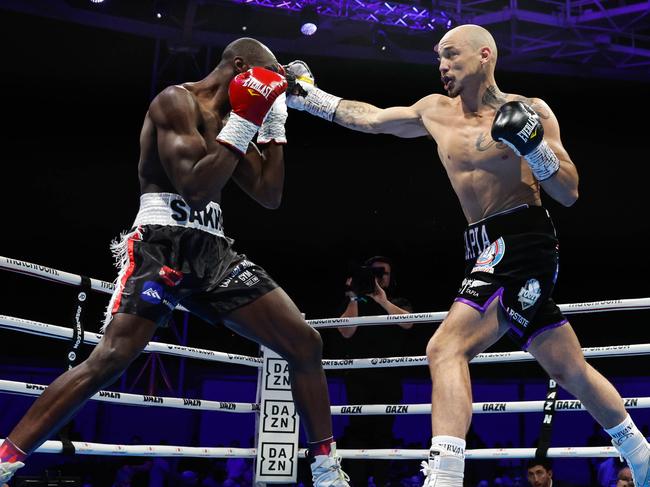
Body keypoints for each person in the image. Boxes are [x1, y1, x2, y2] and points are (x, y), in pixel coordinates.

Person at [281, 24, 650, 487]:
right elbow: (368, 118)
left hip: (523, 238)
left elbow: (569, 192)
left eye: (451, 55)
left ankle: (446, 473)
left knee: (445, 346)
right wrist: (305, 97)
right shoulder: (434, 111)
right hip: (483, 245)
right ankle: (640, 453)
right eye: (438, 57)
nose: (442, 65)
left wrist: (533, 149)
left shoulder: (530, 110)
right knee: (568, 366)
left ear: (484, 56)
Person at [0, 38, 349, 487]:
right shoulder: (175, 101)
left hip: (215, 250)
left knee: (305, 344)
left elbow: (269, 194)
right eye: (266, 75)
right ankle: (7, 458)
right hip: (161, 243)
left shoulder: (230, 120)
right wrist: (245, 120)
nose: (269, 86)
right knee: (111, 358)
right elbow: (195, 187)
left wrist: (273, 124)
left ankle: (325, 470)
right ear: (240, 66)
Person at [337, 256, 413, 486]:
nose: (379, 277)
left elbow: (408, 323)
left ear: (391, 277)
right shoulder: (355, 303)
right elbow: (345, 331)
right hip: (358, 378)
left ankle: (381, 483)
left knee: (383, 435)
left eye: (384, 273)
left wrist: (383, 300)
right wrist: (354, 296)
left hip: (388, 379)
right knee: (357, 433)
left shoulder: (398, 301)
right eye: (375, 273)